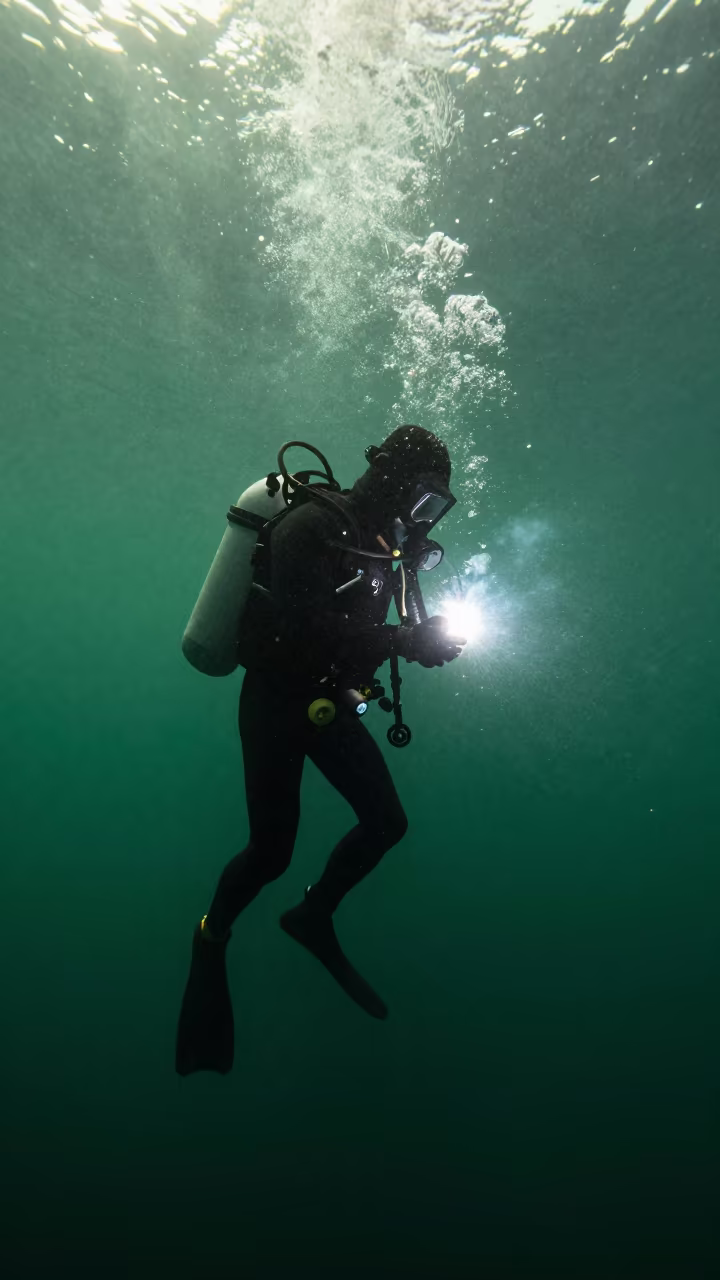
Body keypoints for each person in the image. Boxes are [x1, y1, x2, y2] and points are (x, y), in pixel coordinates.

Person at [176, 425, 466, 1075]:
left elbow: (360, 635)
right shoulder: (310, 525)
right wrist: (402, 645)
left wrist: (417, 640)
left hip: (328, 701)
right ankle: (210, 937)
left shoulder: (382, 546)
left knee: (387, 822)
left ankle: (314, 915)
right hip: (277, 701)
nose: (422, 520)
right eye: (423, 501)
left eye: (434, 511)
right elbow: (301, 629)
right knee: (271, 851)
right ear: (394, 477)